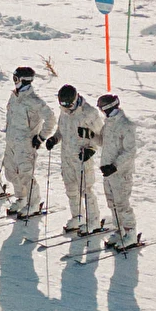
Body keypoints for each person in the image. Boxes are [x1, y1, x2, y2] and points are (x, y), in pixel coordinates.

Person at [3, 66, 55, 218]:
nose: (14, 82)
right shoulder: (14, 96)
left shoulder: (34, 101)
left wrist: (41, 137)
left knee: (25, 175)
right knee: (11, 173)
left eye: (16, 79)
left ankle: (34, 203)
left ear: (24, 80)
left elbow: (51, 119)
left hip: (26, 144)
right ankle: (22, 198)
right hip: (11, 142)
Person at [50, 84, 103, 234]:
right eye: (63, 105)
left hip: (82, 158)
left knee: (86, 190)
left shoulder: (89, 113)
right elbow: (61, 130)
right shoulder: (64, 111)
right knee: (71, 190)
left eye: (69, 105)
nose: (66, 108)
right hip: (67, 158)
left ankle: (93, 221)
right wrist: (54, 139)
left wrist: (91, 149)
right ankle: (77, 217)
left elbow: (101, 136)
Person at [97, 94, 138, 248]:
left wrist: (115, 166)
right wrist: (90, 135)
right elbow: (102, 141)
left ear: (107, 108)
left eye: (102, 108)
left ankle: (130, 233)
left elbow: (130, 151)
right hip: (108, 172)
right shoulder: (108, 123)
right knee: (112, 203)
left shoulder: (126, 125)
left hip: (121, 173)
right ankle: (119, 229)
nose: (101, 112)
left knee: (122, 204)